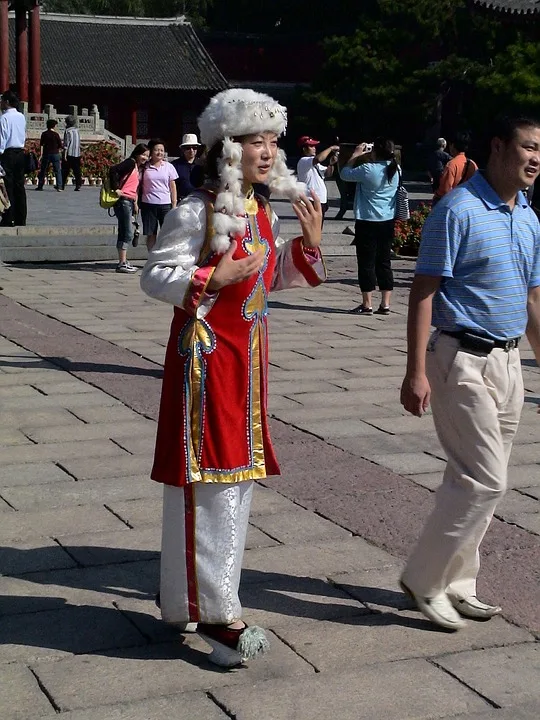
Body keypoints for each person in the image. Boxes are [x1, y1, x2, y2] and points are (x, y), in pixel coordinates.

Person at [140, 87, 326, 668]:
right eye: (255, 141)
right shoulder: (198, 209)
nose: (268, 152)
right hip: (207, 362)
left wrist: (307, 250)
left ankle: (187, 600)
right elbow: (156, 276)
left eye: (273, 141)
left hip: (248, 366)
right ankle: (219, 613)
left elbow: (265, 284)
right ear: (226, 148)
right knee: (213, 481)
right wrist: (208, 277)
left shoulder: (261, 210)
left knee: (233, 482)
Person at [399, 115, 540, 631]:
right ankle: (423, 579)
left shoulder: (528, 216)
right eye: (529, 147)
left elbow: (532, 298)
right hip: (460, 357)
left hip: (507, 362)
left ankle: (459, 582)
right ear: (499, 146)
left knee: (474, 477)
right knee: (486, 479)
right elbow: (424, 290)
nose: (536, 159)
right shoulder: (457, 210)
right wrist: (416, 370)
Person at [340, 137, 399, 315]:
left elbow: (344, 174)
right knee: (384, 262)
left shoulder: (368, 169)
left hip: (367, 221)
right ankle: (385, 304)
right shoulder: (396, 169)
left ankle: (367, 304)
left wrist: (356, 154)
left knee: (366, 262)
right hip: (387, 220)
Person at [109, 143, 149, 274]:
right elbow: (113, 170)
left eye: (147, 156)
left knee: (125, 231)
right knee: (127, 232)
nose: (145, 158)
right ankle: (122, 263)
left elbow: (134, 187)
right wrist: (116, 189)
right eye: (143, 154)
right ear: (137, 153)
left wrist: (136, 203)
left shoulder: (137, 167)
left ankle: (123, 261)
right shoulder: (130, 163)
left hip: (130, 201)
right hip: (123, 201)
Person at [139, 139, 178, 251]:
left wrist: (174, 204)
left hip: (165, 204)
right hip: (148, 204)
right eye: (156, 150)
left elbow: (172, 186)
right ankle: (151, 257)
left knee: (167, 232)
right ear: (151, 151)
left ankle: (163, 256)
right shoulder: (144, 167)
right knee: (151, 233)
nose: (159, 153)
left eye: (162, 150)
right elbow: (138, 184)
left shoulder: (168, 166)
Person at [296, 136, 339, 221]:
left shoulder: (314, 164)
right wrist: (331, 148)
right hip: (311, 200)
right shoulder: (304, 160)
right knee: (313, 228)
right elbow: (319, 158)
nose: (314, 148)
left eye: (314, 146)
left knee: (318, 228)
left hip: (320, 200)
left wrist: (331, 164)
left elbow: (327, 174)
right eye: (311, 146)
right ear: (304, 149)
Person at [0, 90, 27, 227]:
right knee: (19, 186)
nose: (1, 103)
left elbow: (2, 139)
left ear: (7, 102)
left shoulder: (4, 118)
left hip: (8, 154)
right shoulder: (21, 116)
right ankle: (21, 218)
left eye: (2, 100)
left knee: (7, 186)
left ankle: (8, 217)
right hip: (20, 153)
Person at [433, 131, 477, 203]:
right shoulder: (472, 164)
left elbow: (445, 190)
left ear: (452, 146)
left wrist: (437, 194)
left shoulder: (451, 165)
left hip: (452, 203)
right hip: (467, 202)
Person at [171, 133, 205, 200]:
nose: (191, 150)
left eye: (194, 148)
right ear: (183, 149)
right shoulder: (174, 165)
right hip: (181, 201)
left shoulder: (202, 165)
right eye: (188, 148)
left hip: (199, 200)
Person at [36, 119, 63, 191]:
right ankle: (59, 186)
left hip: (46, 154)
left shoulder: (44, 134)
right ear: (54, 126)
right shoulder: (56, 134)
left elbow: (41, 145)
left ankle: (40, 186)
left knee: (43, 170)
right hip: (55, 154)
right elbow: (60, 145)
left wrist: (41, 154)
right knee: (57, 170)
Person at [62, 115, 82, 191]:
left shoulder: (67, 131)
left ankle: (62, 185)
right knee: (77, 170)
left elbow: (66, 144)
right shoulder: (77, 130)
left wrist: (64, 155)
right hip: (77, 153)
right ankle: (78, 184)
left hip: (69, 153)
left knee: (65, 170)